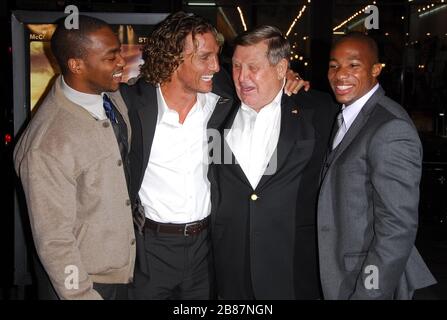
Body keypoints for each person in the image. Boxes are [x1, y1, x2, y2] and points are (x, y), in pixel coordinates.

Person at [120, 12, 305, 300]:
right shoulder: (132, 105)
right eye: (204, 57)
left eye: (217, 57)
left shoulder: (223, 99)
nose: (216, 67)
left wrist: (287, 78)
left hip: (206, 250)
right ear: (173, 59)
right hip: (150, 250)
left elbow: (265, 82)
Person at [208, 25, 338, 299]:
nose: (242, 77)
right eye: (236, 67)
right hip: (231, 270)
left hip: (293, 268)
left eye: (253, 67)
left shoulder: (318, 110)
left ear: (281, 69)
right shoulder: (216, 113)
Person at [14, 16, 136, 300]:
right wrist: (82, 295)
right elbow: (54, 240)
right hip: (86, 283)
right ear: (76, 65)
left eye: (119, 51)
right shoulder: (46, 144)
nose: (122, 62)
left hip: (122, 271)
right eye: (110, 57)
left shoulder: (110, 97)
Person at [318, 32, 436, 299]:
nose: (340, 74)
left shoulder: (390, 128)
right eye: (334, 65)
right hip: (340, 273)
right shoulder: (348, 115)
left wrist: (368, 294)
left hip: (363, 280)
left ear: (376, 69)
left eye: (353, 65)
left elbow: (397, 228)